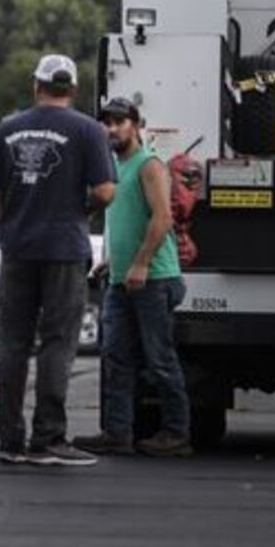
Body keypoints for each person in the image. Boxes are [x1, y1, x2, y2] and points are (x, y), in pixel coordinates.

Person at [0, 53, 115, 467]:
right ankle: (49, 438)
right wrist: (83, 211)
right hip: (64, 250)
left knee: (14, 345)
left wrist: (6, 234)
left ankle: (9, 442)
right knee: (58, 343)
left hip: (18, 250)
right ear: (71, 89)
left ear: (35, 85)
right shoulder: (89, 131)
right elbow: (107, 191)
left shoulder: (8, 128)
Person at [73, 97, 193, 457]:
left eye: (119, 122)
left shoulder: (149, 165)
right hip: (121, 280)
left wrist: (140, 263)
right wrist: (113, 262)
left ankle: (177, 435)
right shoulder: (113, 168)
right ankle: (117, 434)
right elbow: (124, 221)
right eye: (106, 123)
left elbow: (162, 219)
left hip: (154, 279)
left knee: (159, 359)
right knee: (115, 358)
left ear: (136, 125)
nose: (111, 129)